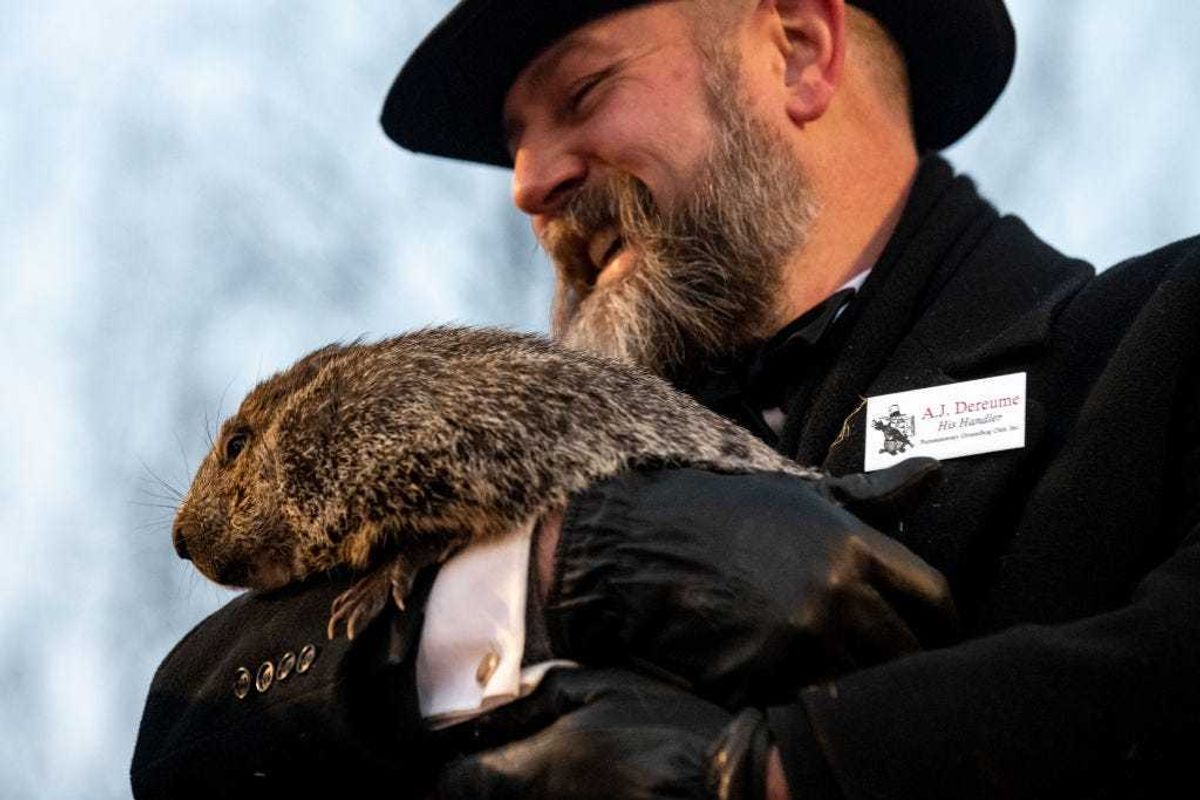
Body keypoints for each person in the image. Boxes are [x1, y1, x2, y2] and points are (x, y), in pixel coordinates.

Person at [131, 1, 1200, 797]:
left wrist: (773, 772)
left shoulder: (1151, 346)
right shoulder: (516, 476)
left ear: (800, 52)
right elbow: (196, 732)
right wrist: (544, 579)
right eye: (514, 140)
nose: (526, 182)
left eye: (583, 93)